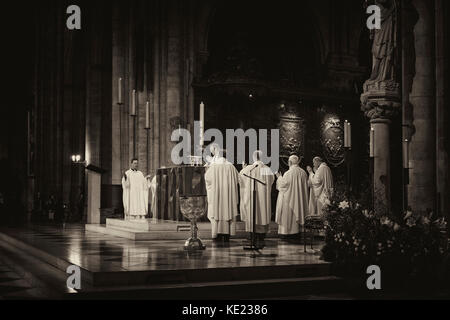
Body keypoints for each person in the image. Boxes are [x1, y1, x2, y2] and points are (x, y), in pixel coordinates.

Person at [239, 150, 275, 248]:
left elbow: (240, 179)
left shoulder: (248, 169)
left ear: (253, 158)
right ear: (262, 157)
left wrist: (243, 168)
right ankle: (261, 236)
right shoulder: (267, 169)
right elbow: (271, 181)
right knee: (262, 213)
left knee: (252, 214)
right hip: (263, 199)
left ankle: (252, 236)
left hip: (251, 198)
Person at [204, 143, 239, 243]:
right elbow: (238, 179)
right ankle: (227, 235)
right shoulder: (231, 166)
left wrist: (206, 170)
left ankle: (217, 234)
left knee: (216, 212)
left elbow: (208, 179)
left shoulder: (213, 167)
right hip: (228, 197)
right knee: (227, 211)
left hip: (217, 196)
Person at [275, 155, 309, 236]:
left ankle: (287, 233)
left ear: (290, 162)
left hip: (289, 200)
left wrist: (279, 177)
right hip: (299, 200)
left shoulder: (288, 173)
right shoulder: (303, 173)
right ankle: (297, 232)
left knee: (288, 216)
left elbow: (283, 185)